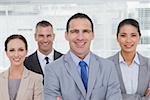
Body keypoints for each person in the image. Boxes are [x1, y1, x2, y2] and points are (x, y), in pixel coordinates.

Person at [44, 13, 122, 100]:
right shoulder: (52, 69)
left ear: (92, 35)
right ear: (66, 35)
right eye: (75, 32)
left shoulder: (108, 67)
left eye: (85, 31)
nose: (80, 37)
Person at [108, 19, 150, 100]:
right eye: (123, 35)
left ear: (139, 38)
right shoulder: (106, 65)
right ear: (117, 38)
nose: (128, 40)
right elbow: (105, 96)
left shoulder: (149, 64)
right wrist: (141, 98)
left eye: (133, 35)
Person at [0, 34, 43, 100]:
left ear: (26, 51)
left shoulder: (36, 79)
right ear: (6, 53)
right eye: (12, 50)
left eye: (20, 50)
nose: (16, 54)